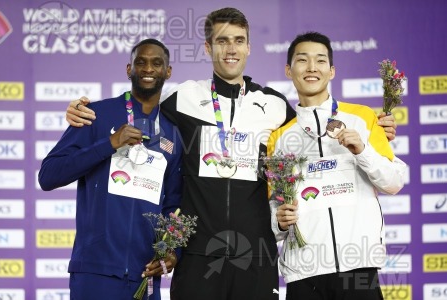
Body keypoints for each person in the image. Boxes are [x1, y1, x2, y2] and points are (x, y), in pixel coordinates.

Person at [64, 8, 398, 299]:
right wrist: (83, 112)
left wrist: (378, 128)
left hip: (256, 255)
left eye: (238, 40)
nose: (231, 49)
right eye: (222, 41)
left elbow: (314, 136)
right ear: (208, 48)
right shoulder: (183, 97)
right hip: (196, 255)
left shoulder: (274, 106)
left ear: (249, 48)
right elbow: (141, 109)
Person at [38, 38, 183, 300]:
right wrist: (109, 144)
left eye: (156, 63)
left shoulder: (173, 134)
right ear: (129, 70)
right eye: (141, 62)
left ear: (168, 71)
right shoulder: (96, 115)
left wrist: (172, 252)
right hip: (95, 273)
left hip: (145, 277)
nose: (148, 69)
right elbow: (48, 175)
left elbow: (173, 205)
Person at [268, 31, 407, 299]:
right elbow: (275, 210)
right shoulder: (279, 138)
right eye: (302, 60)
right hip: (304, 273)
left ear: (331, 71)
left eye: (320, 61)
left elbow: (394, 182)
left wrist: (362, 151)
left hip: (359, 269)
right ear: (288, 70)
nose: (311, 68)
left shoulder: (362, 118)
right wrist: (279, 223)